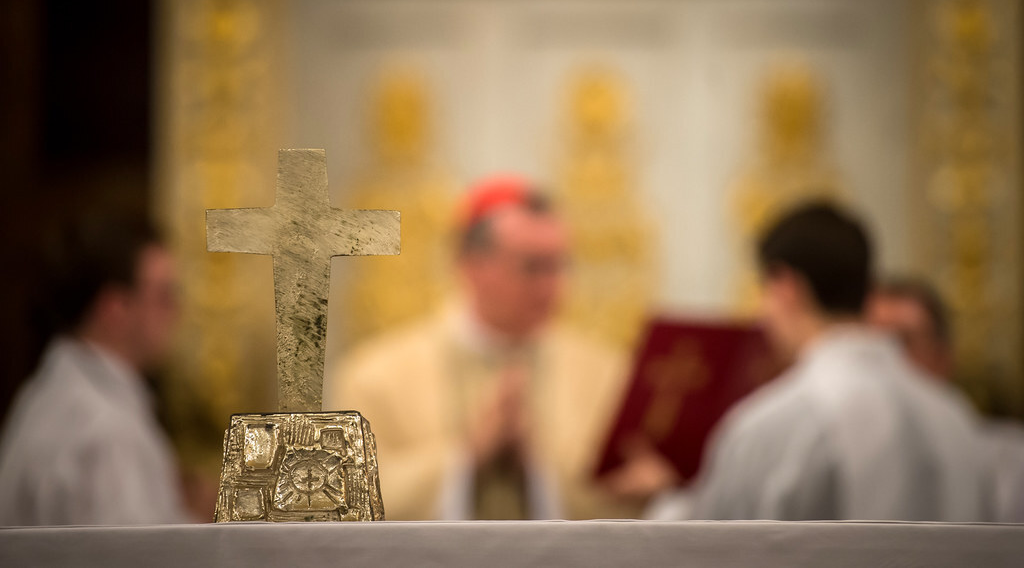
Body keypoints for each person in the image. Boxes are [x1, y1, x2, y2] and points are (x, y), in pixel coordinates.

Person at [650, 201, 990, 521]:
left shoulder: (774, 424)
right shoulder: (954, 415)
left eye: (763, 292)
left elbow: (713, 549)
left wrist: (665, 497)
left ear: (785, 287)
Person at [325, 177, 635, 520]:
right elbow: (345, 500)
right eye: (534, 267)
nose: (555, 287)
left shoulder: (608, 372)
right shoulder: (375, 375)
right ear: (472, 266)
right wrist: (467, 455)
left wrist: (537, 466)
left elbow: (631, 502)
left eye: (560, 265)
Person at [0, 213, 191, 525]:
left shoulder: (51, 392)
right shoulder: (105, 431)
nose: (177, 310)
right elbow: (136, 557)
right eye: (164, 295)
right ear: (116, 308)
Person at [869, 277, 1024, 522]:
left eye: (903, 342)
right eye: (872, 344)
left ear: (943, 357)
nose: (886, 361)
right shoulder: (850, 462)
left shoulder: (1012, 466)